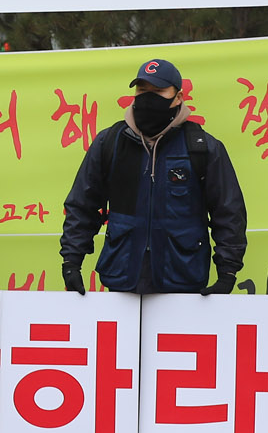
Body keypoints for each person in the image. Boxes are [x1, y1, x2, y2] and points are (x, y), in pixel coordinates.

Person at [60, 58, 247, 296]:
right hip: (121, 278)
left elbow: (228, 212)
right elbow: (82, 205)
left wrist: (227, 272)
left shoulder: (202, 147)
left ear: (178, 97)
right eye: (142, 90)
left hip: (183, 279)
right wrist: (71, 262)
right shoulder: (110, 143)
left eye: (158, 91)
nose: (148, 98)